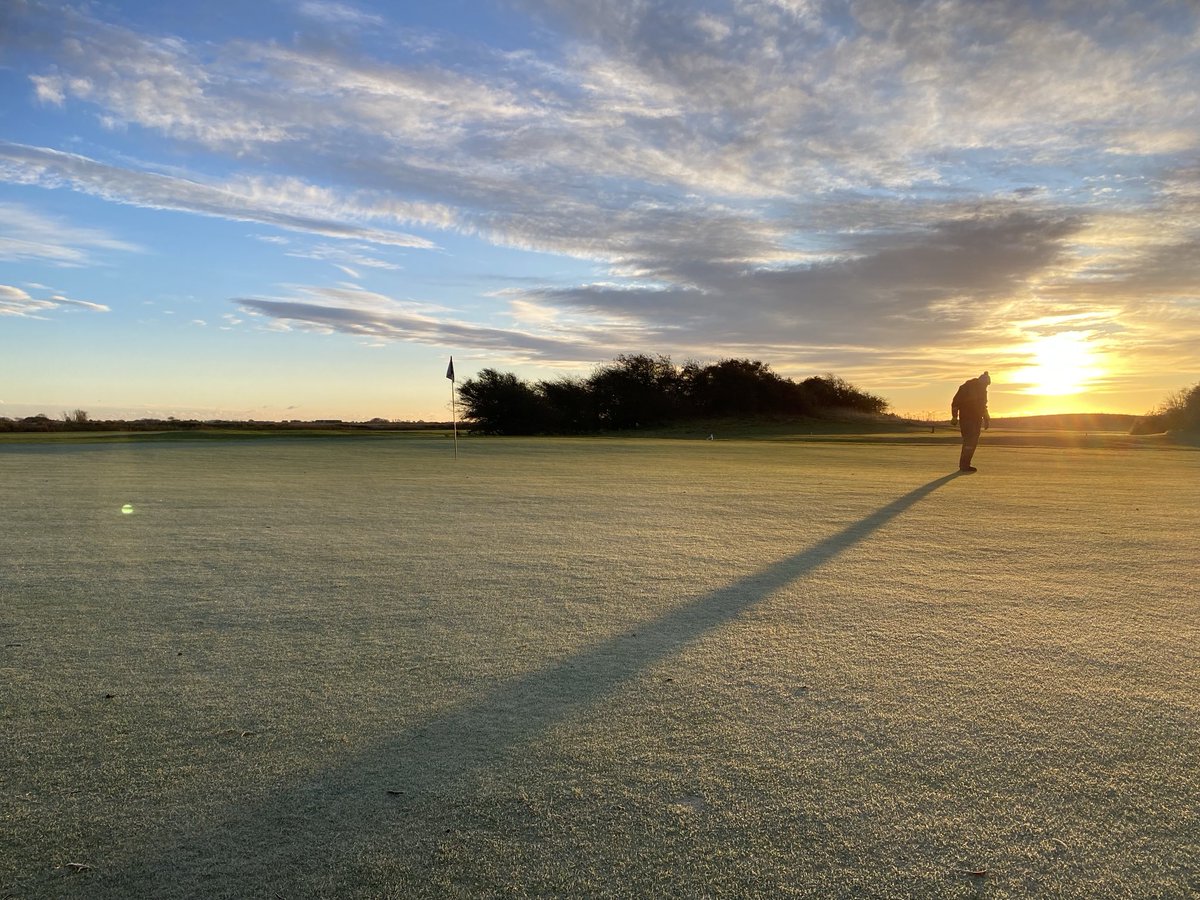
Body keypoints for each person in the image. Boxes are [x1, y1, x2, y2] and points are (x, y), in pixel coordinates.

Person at [951, 371, 991, 472]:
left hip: (977, 419)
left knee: (973, 442)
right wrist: (954, 416)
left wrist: (986, 419)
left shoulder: (982, 390)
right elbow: (955, 402)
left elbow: (983, 406)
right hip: (967, 418)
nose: (986, 386)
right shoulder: (967, 388)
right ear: (981, 382)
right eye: (985, 384)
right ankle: (964, 465)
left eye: (987, 385)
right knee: (969, 441)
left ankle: (966, 464)